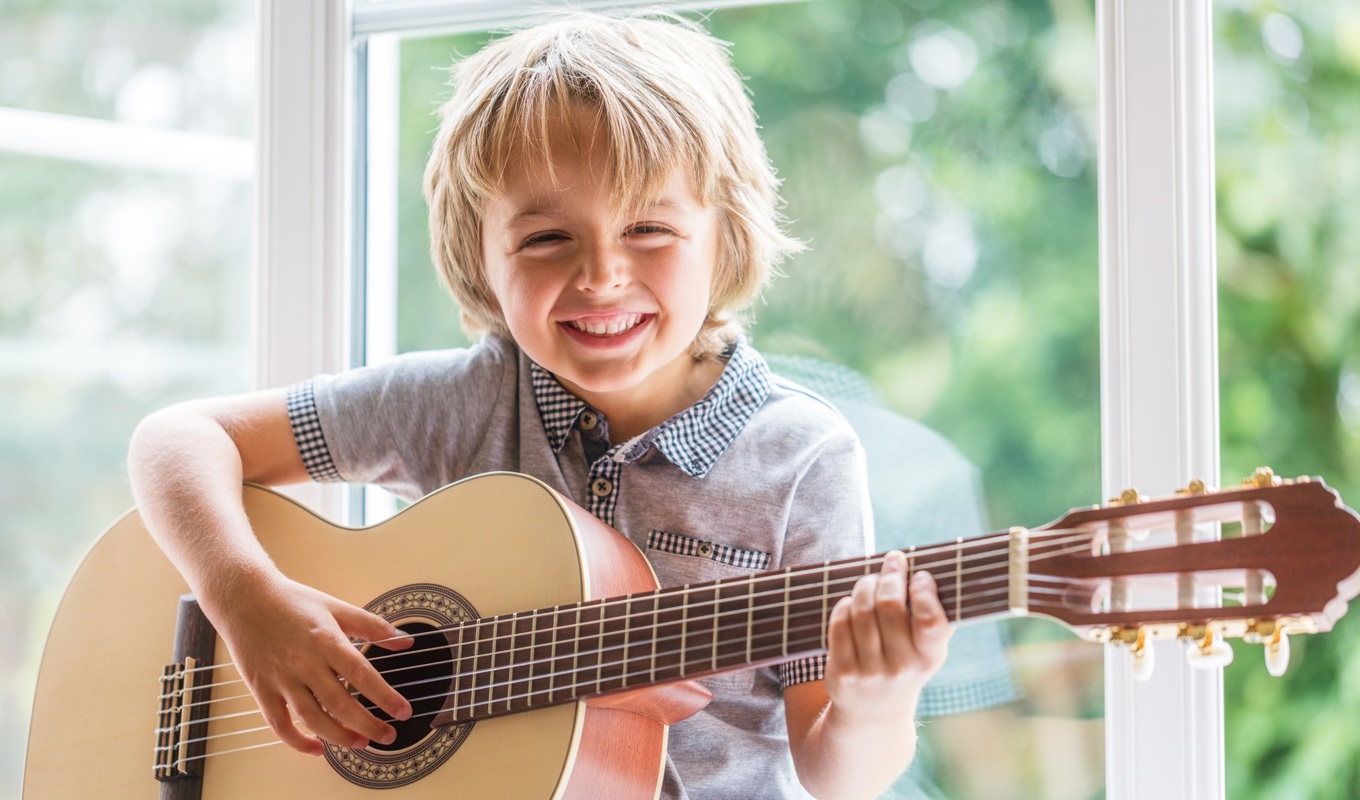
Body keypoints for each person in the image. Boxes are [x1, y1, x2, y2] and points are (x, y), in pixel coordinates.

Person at [127, 10, 950, 799]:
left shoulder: (802, 458)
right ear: (479, 258)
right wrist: (246, 600)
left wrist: (878, 700)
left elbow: (831, 770)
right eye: (547, 239)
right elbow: (178, 440)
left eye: (649, 230)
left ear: (725, 236)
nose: (600, 276)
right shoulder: (463, 401)